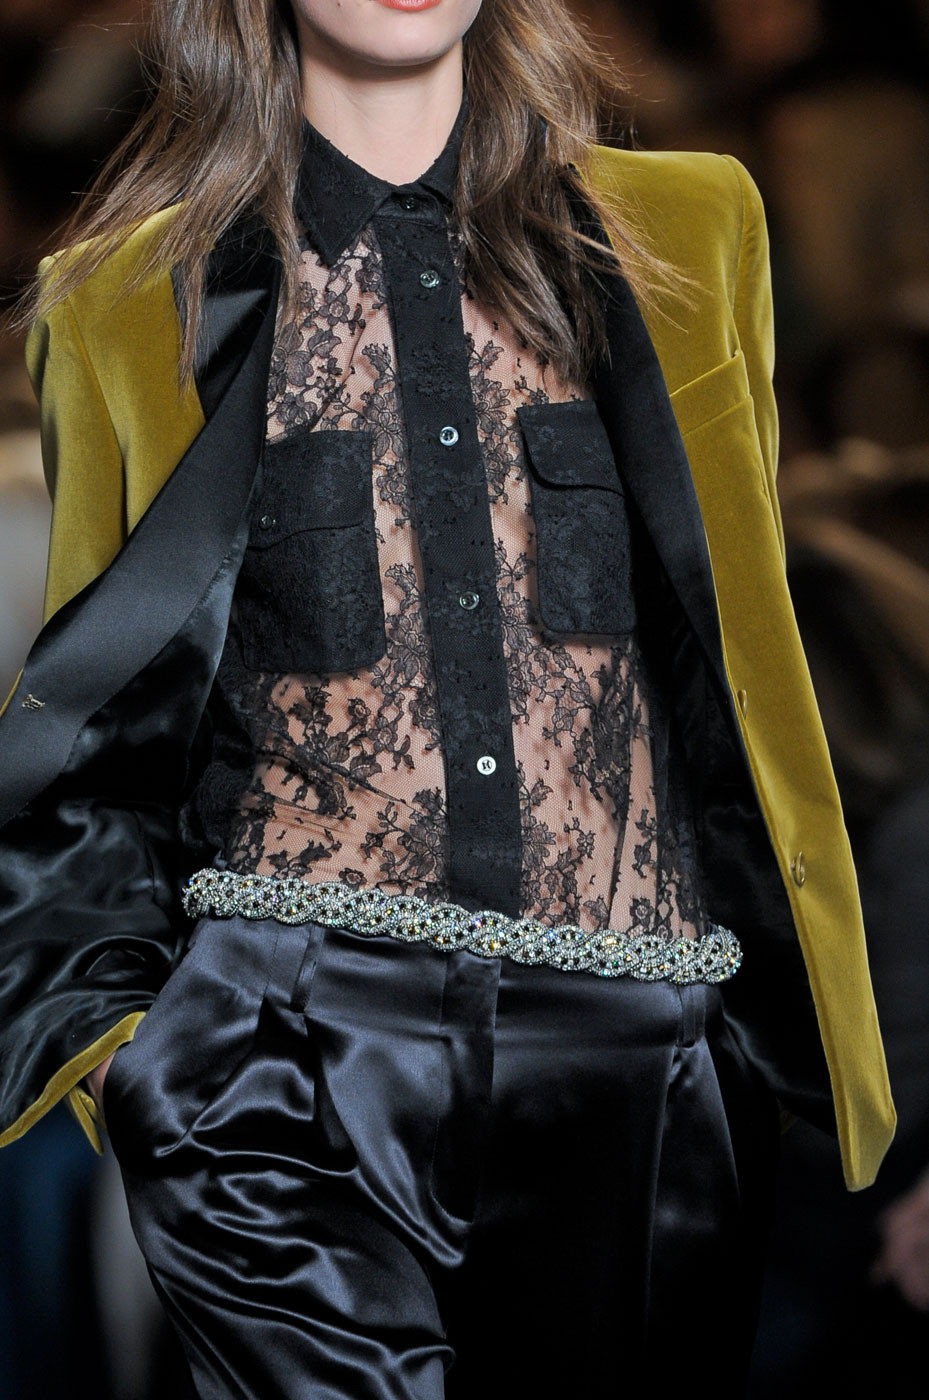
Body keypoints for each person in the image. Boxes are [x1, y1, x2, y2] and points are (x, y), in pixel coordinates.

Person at [0, 1, 895, 1396]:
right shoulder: (118, 301)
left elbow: (727, 640)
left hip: (640, 1045)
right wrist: (129, 1055)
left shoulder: (692, 230)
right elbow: (99, 720)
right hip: (289, 1052)